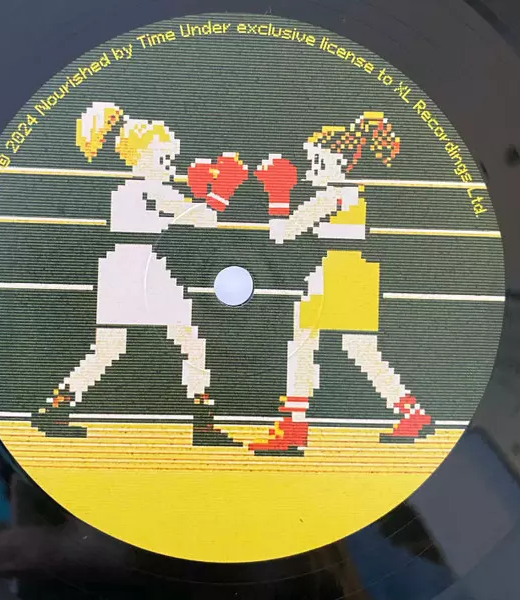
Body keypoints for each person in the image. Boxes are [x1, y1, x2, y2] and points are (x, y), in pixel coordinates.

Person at [32, 102, 248, 445]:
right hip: (142, 269)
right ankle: (203, 425)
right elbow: (204, 219)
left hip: (124, 267)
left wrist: (202, 193)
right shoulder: (151, 188)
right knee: (189, 343)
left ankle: (55, 407)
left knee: (110, 349)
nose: (171, 166)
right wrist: (221, 190)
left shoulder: (130, 189)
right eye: (165, 158)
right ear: (142, 156)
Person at [250, 111, 435, 454]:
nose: (311, 170)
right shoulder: (349, 195)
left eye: (318, 162)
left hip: (338, 274)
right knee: (356, 349)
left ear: (341, 163)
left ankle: (295, 427)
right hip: (352, 273)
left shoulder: (333, 196)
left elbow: (282, 234)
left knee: (304, 345)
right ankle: (410, 412)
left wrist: (277, 193)